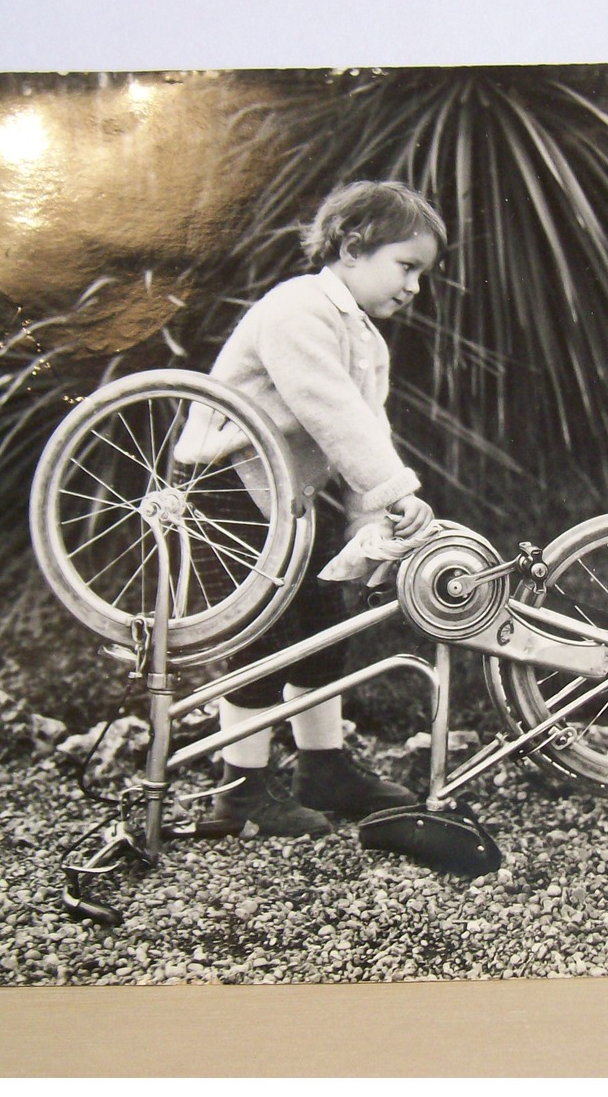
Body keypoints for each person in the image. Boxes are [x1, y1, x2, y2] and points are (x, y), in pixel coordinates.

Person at [175, 181, 446, 837]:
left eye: (423, 274)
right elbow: (328, 408)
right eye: (405, 267)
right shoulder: (299, 308)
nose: (414, 286)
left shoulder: (365, 338)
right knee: (263, 633)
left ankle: (322, 766)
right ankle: (242, 792)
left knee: (324, 619)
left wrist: (376, 516)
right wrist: (396, 489)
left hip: (289, 489)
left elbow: (361, 432)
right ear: (353, 249)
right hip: (226, 480)